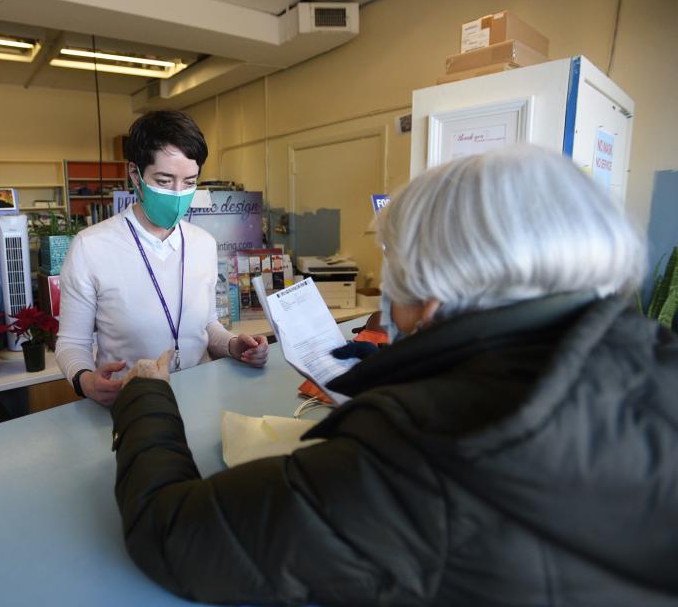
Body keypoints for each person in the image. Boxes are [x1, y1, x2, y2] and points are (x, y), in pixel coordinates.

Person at [108, 146, 678, 605]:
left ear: (432, 296)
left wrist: (146, 399)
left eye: (396, 277)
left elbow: (176, 535)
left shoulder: (412, 456)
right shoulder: (654, 353)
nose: (385, 313)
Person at [55, 111, 268, 406]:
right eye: (165, 181)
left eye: (190, 181)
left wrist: (234, 346)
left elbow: (206, 326)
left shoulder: (202, 243)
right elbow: (71, 343)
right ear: (135, 174)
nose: (178, 194)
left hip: (199, 397)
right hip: (131, 405)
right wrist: (84, 380)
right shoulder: (91, 247)